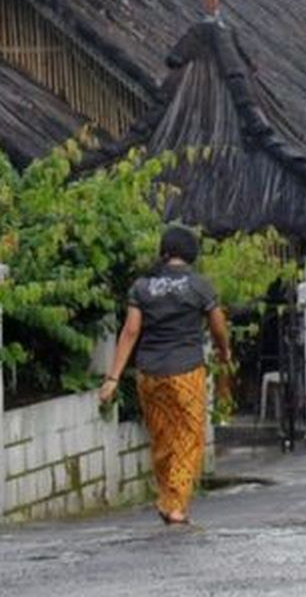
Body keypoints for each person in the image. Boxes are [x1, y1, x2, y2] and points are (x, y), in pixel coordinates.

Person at [99, 225, 232, 525]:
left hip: (149, 374)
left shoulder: (143, 287)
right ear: (191, 254)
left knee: (161, 438)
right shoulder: (200, 286)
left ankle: (165, 498)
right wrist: (224, 352)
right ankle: (177, 506)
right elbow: (218, 327)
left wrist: (113, 378)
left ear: (164, 252)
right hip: (186, 372)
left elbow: (131, 331)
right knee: (188, 437)